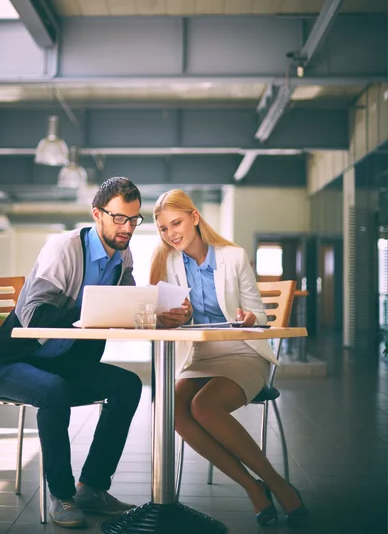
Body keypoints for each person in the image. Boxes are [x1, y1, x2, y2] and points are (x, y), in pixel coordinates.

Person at [0, 177, 144, 529]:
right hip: (8, 363)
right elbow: (32, 314)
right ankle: (63, 496)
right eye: (119, 218)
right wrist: (91, 309)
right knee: (53, 391)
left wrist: (155, 312)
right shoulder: (63, 248)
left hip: (63, 362)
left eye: (133, 219)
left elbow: (126, 307)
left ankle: (93, 488)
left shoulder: (123, 254)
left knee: (128, 384)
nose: (127, 228)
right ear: (97, 213)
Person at [150, 189, 309, 527]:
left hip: (242, 352)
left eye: (176, 223)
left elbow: (258, 314)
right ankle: (253, 487)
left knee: (204, 407)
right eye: (163, 228)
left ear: (194, 217)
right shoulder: (169, 261)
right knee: (172, 410)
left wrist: (250, 318)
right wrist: (176, 316)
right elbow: (161, 311)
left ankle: (278, 484)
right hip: (202, 355)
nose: (171, 233)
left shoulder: (233, 256)